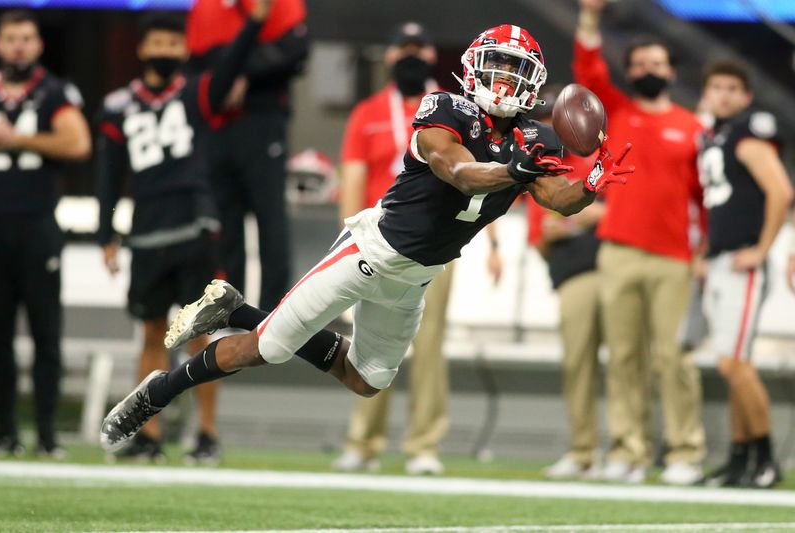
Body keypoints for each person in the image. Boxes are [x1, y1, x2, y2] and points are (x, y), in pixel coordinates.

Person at [99, 24, 634, 456]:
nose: (502, 77)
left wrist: (589, 185)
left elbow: (556, 198)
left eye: (515, 70)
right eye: (496, 63)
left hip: (416, 277)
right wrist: (512, 170)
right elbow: (459, 171)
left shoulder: (534, 137)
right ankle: (158, 391)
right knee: (267, 349)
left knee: (365, 381)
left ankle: (237, 308)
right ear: (472, 66)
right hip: (370, 251)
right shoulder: (444, 108)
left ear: (534, 82)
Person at [96, 4, 269, 463]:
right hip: (149, 230)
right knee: (153, 334)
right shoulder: (117, 105)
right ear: (142, 48)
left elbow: (233, 63)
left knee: (200, 333)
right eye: (158, 42)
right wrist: (106, 232)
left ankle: (205, 433)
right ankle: (149, 435)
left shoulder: (196, 93)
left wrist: (254, 22)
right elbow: (108, 177)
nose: (165, 50)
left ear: (184, 48)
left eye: (173, 43)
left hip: (196, 226)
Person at [574, 0, 707, 484]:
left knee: (673, 358)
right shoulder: (618, 114)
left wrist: (705, 254)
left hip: (675, 258)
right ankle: (630, 451)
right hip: (620, 252)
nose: (649, 70)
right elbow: (588, 72)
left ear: (672, 71)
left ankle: (684, 453)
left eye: (657, 63)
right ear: (628, 72)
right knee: (625, 356)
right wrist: (589, 18)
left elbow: (707, 198)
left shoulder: (694, 129)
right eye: (641, 64)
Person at [332, 22, 452, 475]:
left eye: (420, 49)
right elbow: (353, 178)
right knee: (370, 341)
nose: (412, 56)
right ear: (389, 56)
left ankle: (424, 446)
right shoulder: (368, 111)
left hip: (438, 243)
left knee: (429, 345)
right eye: (403, 48)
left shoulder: (452, 111)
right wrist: (347, 236)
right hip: (377, 241)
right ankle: (363, 444)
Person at [0, 10, 90, 458]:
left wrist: (16, 140)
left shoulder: (55, 91)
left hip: (37, 227)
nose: (18, 46)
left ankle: (48, 434)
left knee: (45, 333)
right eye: (10, 38)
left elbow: (77, 143)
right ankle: (4, 431)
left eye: (26, 38)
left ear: (38, 45)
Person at [697, 60, 792, 488]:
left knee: (735, 364)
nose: (724, 94)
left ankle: (766, 459)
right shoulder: (713, 138)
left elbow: (781, 191)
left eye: (733, 87)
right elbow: (720, 205)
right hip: (720, 260)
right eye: (716, 86)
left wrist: (762, 249)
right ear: (706, 93)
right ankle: (739, 460)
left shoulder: (747, 134)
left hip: (742, 263)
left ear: (747, 96)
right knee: (733, 364)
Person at [186, 0, 308, 311]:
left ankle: (273, 315)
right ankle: (228, 313)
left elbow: (295, 51)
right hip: (218, 126)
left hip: (262, 121)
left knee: (270, 219)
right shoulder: (205, 7)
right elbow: (196, 63)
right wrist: (220, 82)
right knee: (225, 223)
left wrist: (243, 76)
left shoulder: (280, 3)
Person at [524, 85, 603, 480]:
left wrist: (569, 222)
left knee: (628, 361)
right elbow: (541, 238)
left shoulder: (587, 161)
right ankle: (584, 450)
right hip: (572, 273)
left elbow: (609, 212)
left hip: (607, 267)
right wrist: (579, 218)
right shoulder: (537, 171)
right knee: (580, 364)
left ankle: (629, 450)